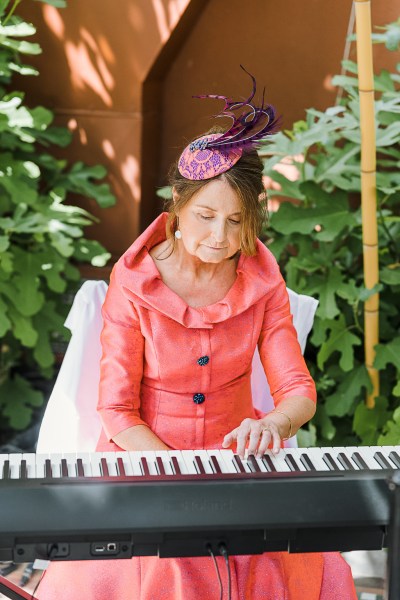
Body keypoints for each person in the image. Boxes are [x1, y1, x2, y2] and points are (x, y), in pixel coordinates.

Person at [37, 70, 357, 599]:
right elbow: (116, 411)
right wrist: (172, 470)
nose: (220, 236)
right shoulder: (133, 281)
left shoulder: (263, 280)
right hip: (142, 456)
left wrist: (273, 423)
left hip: (234, 461)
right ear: (176, 212)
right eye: (206, 216)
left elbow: (298, 393)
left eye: (237, 221)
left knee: (312, 565)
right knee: (170, 564)